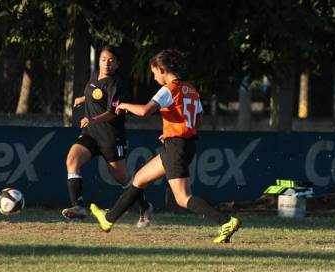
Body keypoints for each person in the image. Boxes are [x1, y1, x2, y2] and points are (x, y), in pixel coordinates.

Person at [90, 49, 241, 244]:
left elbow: (145, 111)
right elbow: (198, 119)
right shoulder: (191, 88)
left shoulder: (168, 89)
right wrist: (174, 130)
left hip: (176, 147)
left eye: (154, 73)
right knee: (141, 178)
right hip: (182, 144)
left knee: (182, 197)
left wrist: (124, 105)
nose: (154, 78)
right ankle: (109, 218)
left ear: (162, 70)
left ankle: (226, 221)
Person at [62, 45, 153, 227]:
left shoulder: (116, 84)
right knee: (72, 160)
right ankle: (78, 206)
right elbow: (95, 94)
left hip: (111, 136)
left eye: (111, 61)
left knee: (122, 179)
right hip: (91, 133)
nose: (106, 63)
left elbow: (113, 112)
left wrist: (92, 118)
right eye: (103, 59)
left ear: (117, 64)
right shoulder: (95, 75)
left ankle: (145, 206)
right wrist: (83, 98)